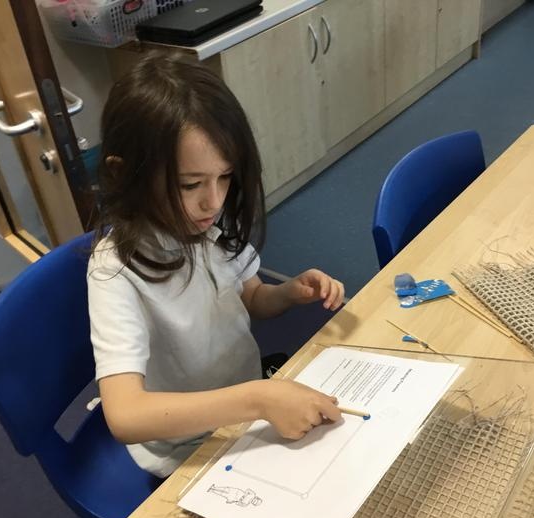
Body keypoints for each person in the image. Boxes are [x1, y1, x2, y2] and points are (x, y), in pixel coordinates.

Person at [87, 51, 345, 478]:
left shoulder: (208, 226)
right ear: (125, 174)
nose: (214, 201)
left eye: (225, 177)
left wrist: (287, 293)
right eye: (191, 184)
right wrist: (258, 398)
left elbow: (251, 297)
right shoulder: (113, 271)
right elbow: (125, 415)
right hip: (188, 444)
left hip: (248, 413)